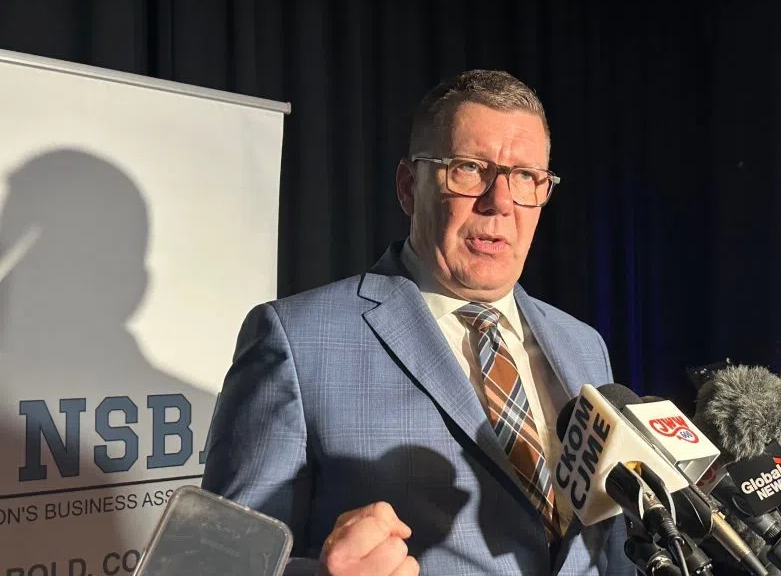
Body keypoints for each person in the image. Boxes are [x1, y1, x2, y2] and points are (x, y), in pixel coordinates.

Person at [202, 69, 630, 575]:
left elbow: (610, 550)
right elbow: (218, 561)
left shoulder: (583, 344)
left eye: (525, 178)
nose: (499, 203)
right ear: (409, 187)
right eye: (469, 169)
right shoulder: (296, 341)